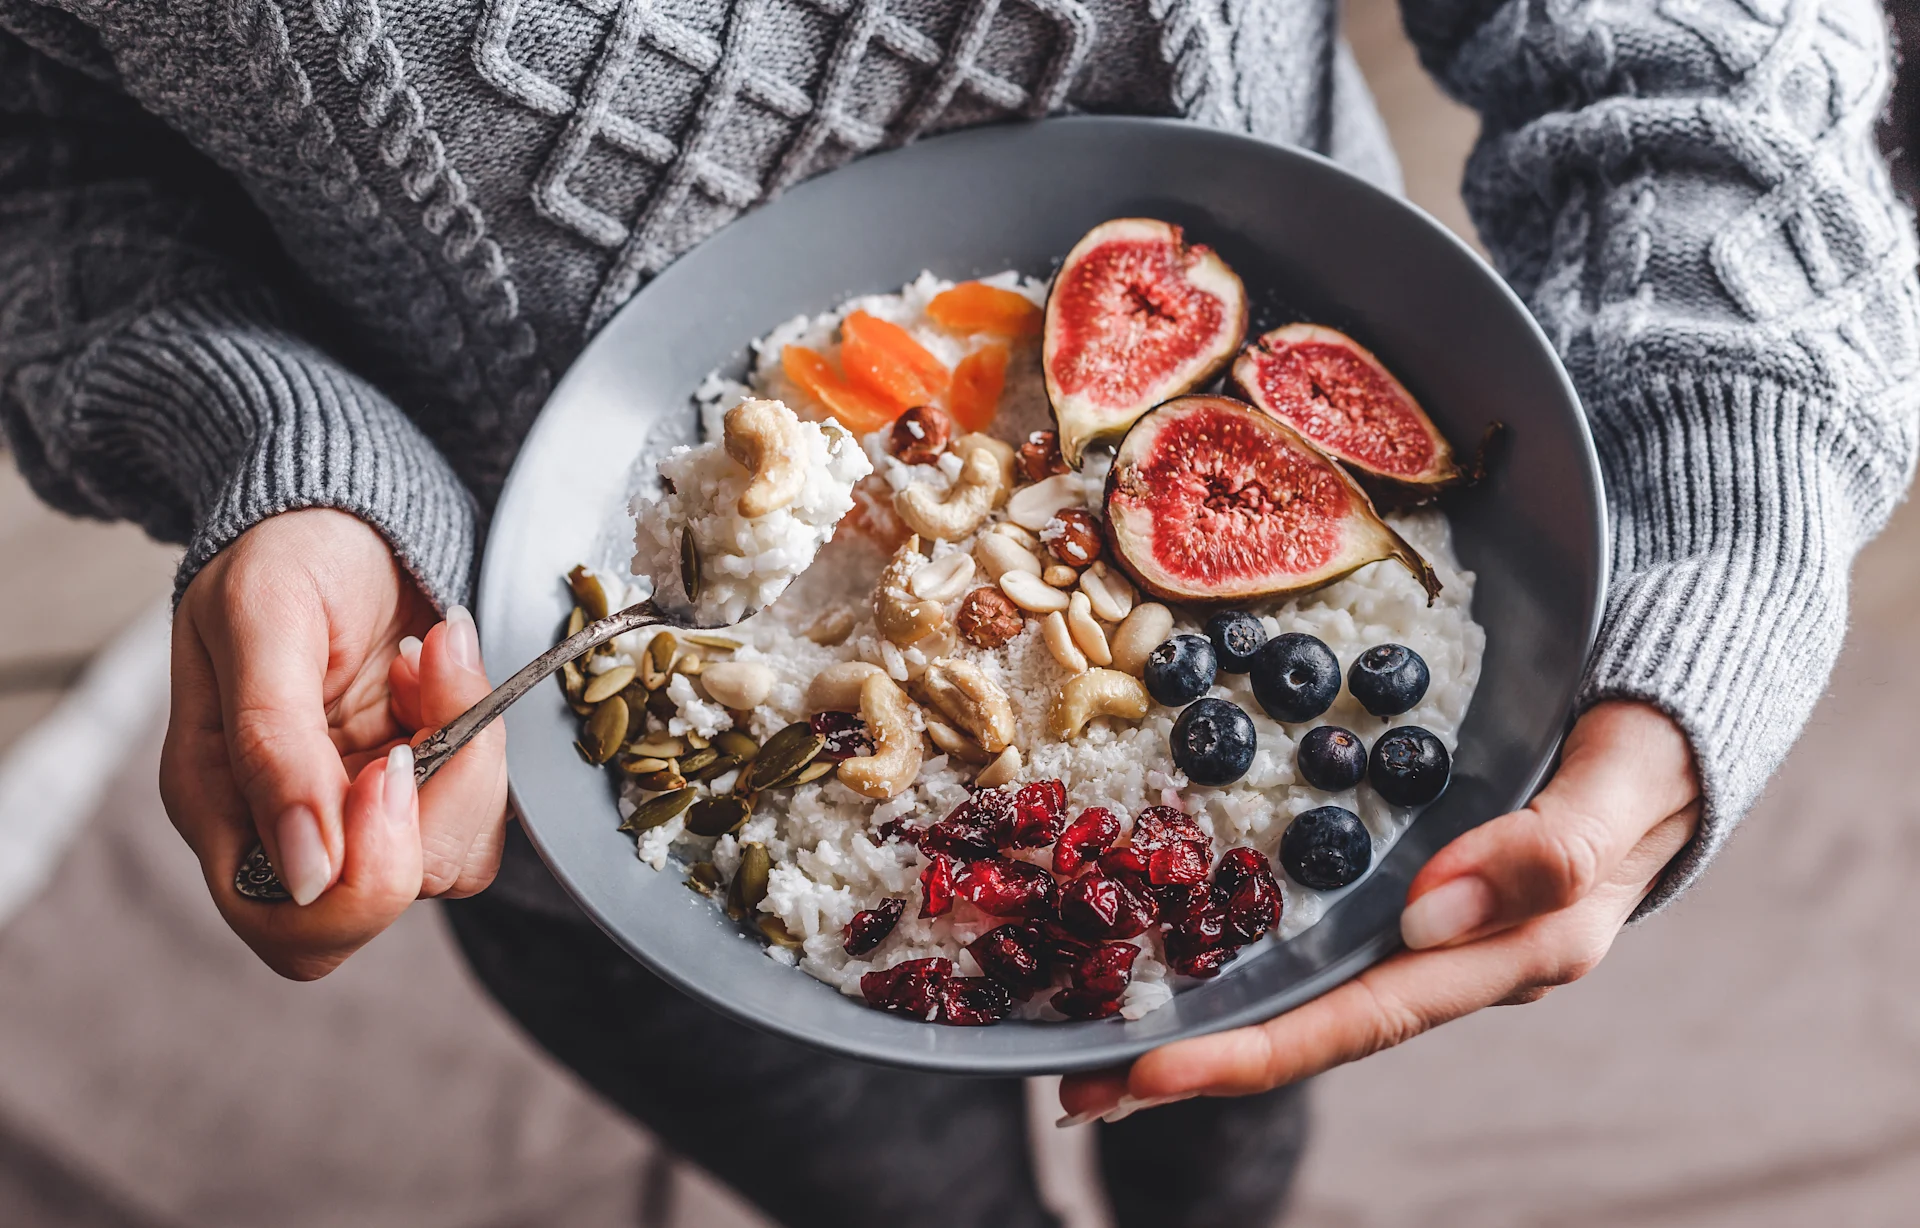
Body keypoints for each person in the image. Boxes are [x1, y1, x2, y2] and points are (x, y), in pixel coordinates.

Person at [2, 0, 1913, 1223]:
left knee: (1222, 1135)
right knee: (869, 1189)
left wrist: (1729, 468)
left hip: (1299, 417)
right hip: (556, 771)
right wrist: (283, 440)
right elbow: (55, 176)